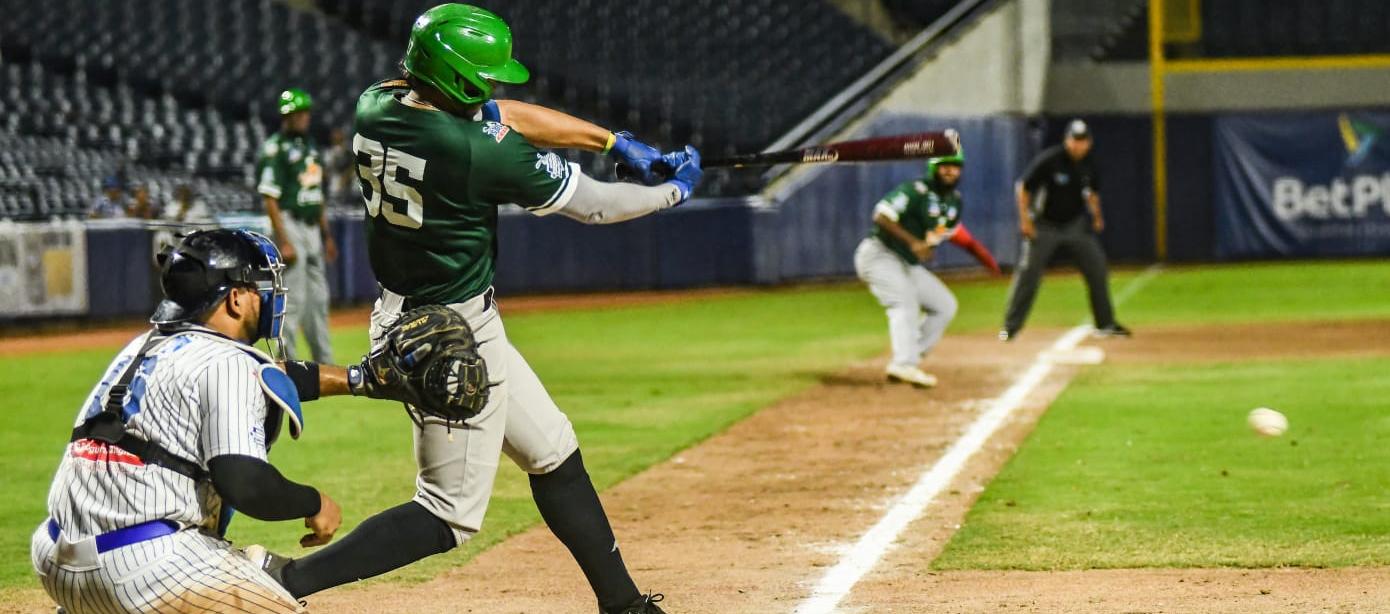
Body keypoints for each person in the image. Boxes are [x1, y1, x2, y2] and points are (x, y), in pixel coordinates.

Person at [252, 5, 699, 613]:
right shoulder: (476, 154)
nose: (492, 88)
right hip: (446, 333)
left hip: (431, 313)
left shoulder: (375, 104)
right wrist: (672, 191)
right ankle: (283, 581)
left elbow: (504, 116)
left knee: (552, 450)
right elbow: (595, 205)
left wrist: (612, 140)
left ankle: (624, 606)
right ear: (458, 82)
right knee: (447, 514)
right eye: (483, 78)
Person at [31, 229, 339, 614]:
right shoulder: (229, 360)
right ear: (235, 299)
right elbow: (244, 482)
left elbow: (283, 374)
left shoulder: (141, 347)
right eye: (258, 285)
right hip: (142, 568)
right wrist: (314, 501)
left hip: (55, 559)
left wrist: (360, 379)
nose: (269, 295)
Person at [854, 149, 1000, 388]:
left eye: (955, 165)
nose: (950, 170)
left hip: (906, 264)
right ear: (933, 167)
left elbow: (952, 233)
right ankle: (903, 364)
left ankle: (911, 358)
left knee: (944, 305)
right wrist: (913, 242)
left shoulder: (953, 202)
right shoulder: (916, 190)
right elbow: (881, 216)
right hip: (879, 255)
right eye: (945, 165)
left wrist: (981, 255)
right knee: (904, 302)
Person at [1001, 119, 1130, 341]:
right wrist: (1025, 221)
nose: (1079, 145)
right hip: (1044, 226)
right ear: (1067, 140)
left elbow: (1092, 193)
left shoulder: (1089, 164)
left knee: (1097, 268)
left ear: (1089, 142)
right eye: (1075, 140)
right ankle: (1011, 327)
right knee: (1028, 274)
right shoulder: (1050, 160)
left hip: (1074, 226)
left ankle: (1105, 324)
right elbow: (1023, 187)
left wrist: (1097, 217)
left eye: (1083, 141)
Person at [255, 88, 338, 363]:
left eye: (304, 112)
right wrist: (284, 240)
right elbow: (269, 198)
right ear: (285, 117)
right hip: (289, 224)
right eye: (296, 113)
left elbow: (317, 194)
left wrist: (327, 235)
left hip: (312, 225)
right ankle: (287, 363)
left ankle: (323, 364)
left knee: (319, 301)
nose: (302, 117)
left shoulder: (310, 146)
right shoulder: (274, 148)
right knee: (293, 300)